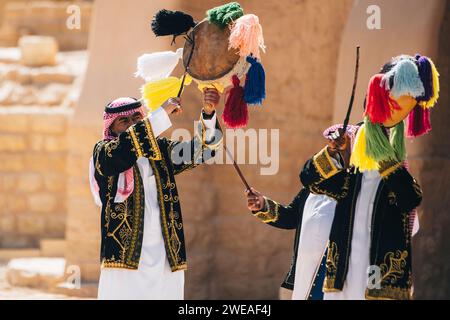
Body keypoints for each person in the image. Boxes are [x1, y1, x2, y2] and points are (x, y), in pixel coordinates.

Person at [89, 88, 222, 299]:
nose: (132, 123)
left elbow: (203, 150)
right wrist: (161, 113)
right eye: (124, 121)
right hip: (126, 258)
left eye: (137, 117)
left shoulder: (161, 151)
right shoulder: (104, 152)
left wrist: (208, 113)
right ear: (111, 127)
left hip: (165, 254)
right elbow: (125, 148)